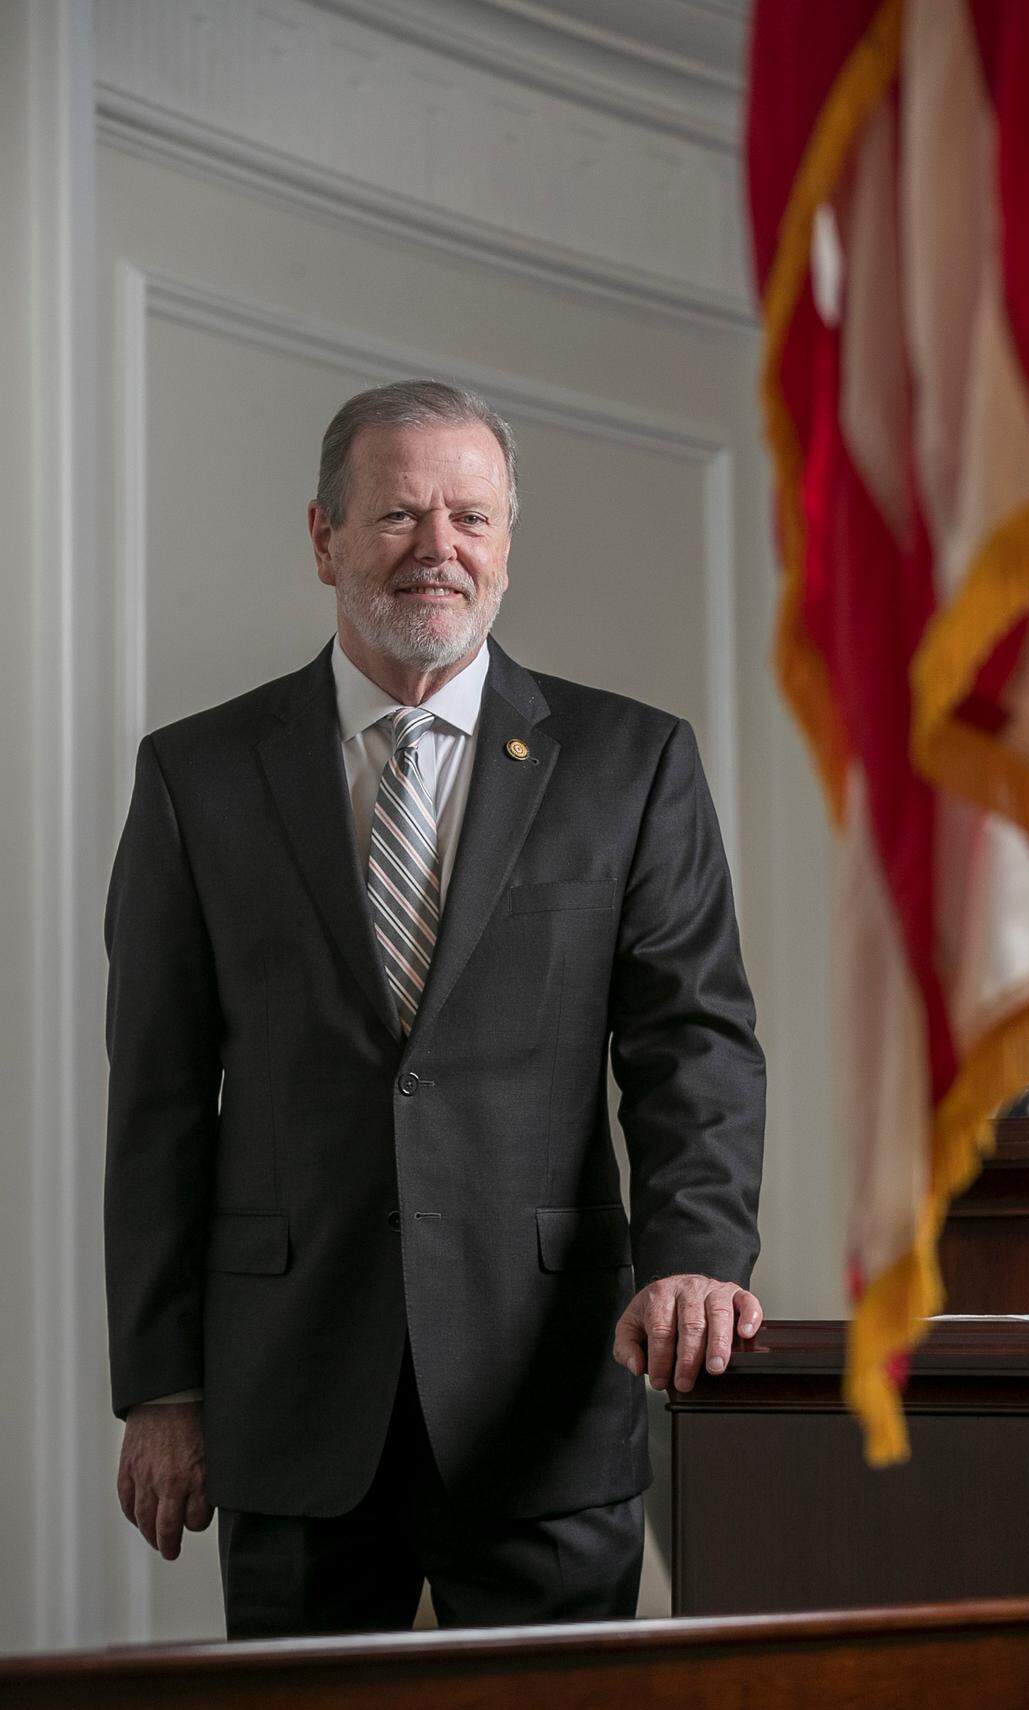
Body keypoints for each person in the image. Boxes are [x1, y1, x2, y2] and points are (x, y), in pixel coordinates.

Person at [104, 380, 766, 1637]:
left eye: (471, 516)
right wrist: (162, 1384)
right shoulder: (198, 776)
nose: (438, 550)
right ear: (324, 538)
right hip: (290, 1390)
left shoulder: (634, 764)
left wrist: (695, 1260)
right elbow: (157, 1102)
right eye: (401, 515)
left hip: (547, 1392)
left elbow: (697, 1048)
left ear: (507, 541)